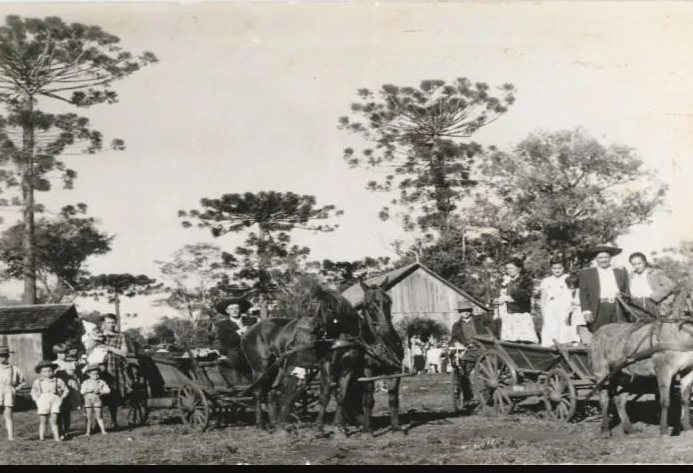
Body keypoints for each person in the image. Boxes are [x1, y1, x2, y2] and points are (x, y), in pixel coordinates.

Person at [85, 313, 132, 431]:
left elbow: (124, 353)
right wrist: (94, 340)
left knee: (113, 395)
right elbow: (88, 350)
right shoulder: (97, 335)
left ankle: (114, 421)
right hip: (98, 368)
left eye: (113, 322)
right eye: (109, 323)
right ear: (103, 324)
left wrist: (109, 348)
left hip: (114, 367)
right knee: (95, 394)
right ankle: (95, 424)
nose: (112, 325)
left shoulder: (121, 336)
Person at [578, 244, 630, 334]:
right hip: (599, 308)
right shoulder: (587, 273)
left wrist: (623, 297)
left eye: (606, 257)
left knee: (619, 334)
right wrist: (586, 311)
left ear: (610, 258)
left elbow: (626, 290)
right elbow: (583, 294)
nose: (604, 260)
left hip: (617, 307)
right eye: (600, 258)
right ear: (596, 259)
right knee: (600, 335)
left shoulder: (620, 272)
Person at [494, 258, 539, 343]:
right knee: (510, 339)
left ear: (519, 269)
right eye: (507, 268)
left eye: (512, 268)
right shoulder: (506, 281)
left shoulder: (525, 280)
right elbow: (501, 294)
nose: (509, 270)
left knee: (524, 339)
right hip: (508, 313)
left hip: (520, 313)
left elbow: (526, 295)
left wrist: (508, 298)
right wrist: (498, 300)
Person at [213, 297, 252, 384]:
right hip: (233, 350)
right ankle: (249, 380)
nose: (234, 311)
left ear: (240, 309)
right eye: (231, 309)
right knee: (236, 358)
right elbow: (225, 342)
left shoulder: (251, 321)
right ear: (227, 311)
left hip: (252, 348)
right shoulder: (222, 325)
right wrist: (238, 332)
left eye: (236, 308)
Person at [539, 257, 577, 346]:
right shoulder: (546, 281)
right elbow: (543, 299)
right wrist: (543, 313)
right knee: (551, 329)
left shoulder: (568, 278)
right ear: (551, 268)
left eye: (560, 268)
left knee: (565, 329)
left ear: (564, 268)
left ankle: (566, 347)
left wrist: (572, 308)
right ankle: (550, 348)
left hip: (565, 307)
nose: (557, 270)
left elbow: (574, 294)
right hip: (551, 308)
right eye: (554, 268)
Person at [448, 300, 480, 407]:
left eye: (467, 310)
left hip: (482, 350)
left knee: (487, 375)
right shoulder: (457, 325)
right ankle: (468, 398)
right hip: (468, 351)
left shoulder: (479, 321)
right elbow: (453, 338)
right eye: (463, 311)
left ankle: (487, 398)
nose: (465, 312)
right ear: (460, 312)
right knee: (463, 374)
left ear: (471, 311)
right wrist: (457, 343)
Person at [628, 252, 677, 319]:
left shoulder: (654, 273)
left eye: (639, 263)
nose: (637, 266)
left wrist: (654, 296)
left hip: (652, 305)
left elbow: (669, 285)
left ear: (645, 262)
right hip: (635, 307)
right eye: (634, 264)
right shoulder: (631, 276)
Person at [31, 360, 69, 441]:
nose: (48, 373)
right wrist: (36, 399)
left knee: (54, 420)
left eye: (50, 371)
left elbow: (66, 390)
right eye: (45, 371)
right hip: (43, 400)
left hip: (55, 400)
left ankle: (56, 437)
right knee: (43, 420)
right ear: (40, 372)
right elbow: (33, 391)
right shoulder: (38, 382)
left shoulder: (58, 380)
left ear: (53, 371)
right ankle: (41, 437)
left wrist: (62, 397)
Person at [53, 343, 80, 439]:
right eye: (60, 353)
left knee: (67, 411)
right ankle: (60, 431)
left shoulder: (71, 363)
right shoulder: (54, 364)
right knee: (59, 410)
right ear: (56, 353)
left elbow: (76, 375)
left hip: (70, 388)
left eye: (64, 353)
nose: (63, 355)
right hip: (60, 389)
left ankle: (67, 431)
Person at [0, 345, 24, 441]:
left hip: (9, 390)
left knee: (8, 413)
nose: (2, 358)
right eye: (0, 356)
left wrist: (15, 389)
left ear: (8, 356)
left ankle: (10, 436)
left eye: (4, 356)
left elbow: (22, 381)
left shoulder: (14, 368)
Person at [80, 364, 111, 436]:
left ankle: (103, 430)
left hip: (97, 400)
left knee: (99, 415)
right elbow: (81, 391)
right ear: (88, 374)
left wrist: (100, 391)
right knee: (88, 416)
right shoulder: (86, 382)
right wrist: (88, 390)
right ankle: (88, 431)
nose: (96, 376)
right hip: (88, 400)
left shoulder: (101, 382)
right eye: (93, 374)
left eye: (97, 374)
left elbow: (108, 390)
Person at [565, 273, 590, 345]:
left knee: (577, 326)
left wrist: (573, 305)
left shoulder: (578, 291)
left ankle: (578, 340)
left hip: (579, 311)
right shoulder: (576, 291)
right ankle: (579, 340)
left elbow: (577, 302)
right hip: (577, 311)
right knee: (577, 326)